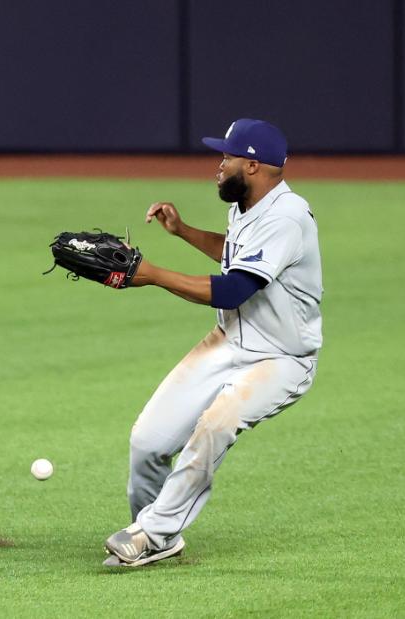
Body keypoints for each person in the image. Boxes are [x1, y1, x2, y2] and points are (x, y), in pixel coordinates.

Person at [102, 119, 322, 567]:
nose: (218, 166)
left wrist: (152, 275)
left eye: (226, 157)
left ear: (254, 164)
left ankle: (153, 533)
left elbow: (234, 288)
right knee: (148, 441)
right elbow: (236, 251)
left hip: (280, 357)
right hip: (228, 342)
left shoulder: (287, 216)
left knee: (215, 425)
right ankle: (155, 536)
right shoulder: (248, 204)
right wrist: (183, 231)